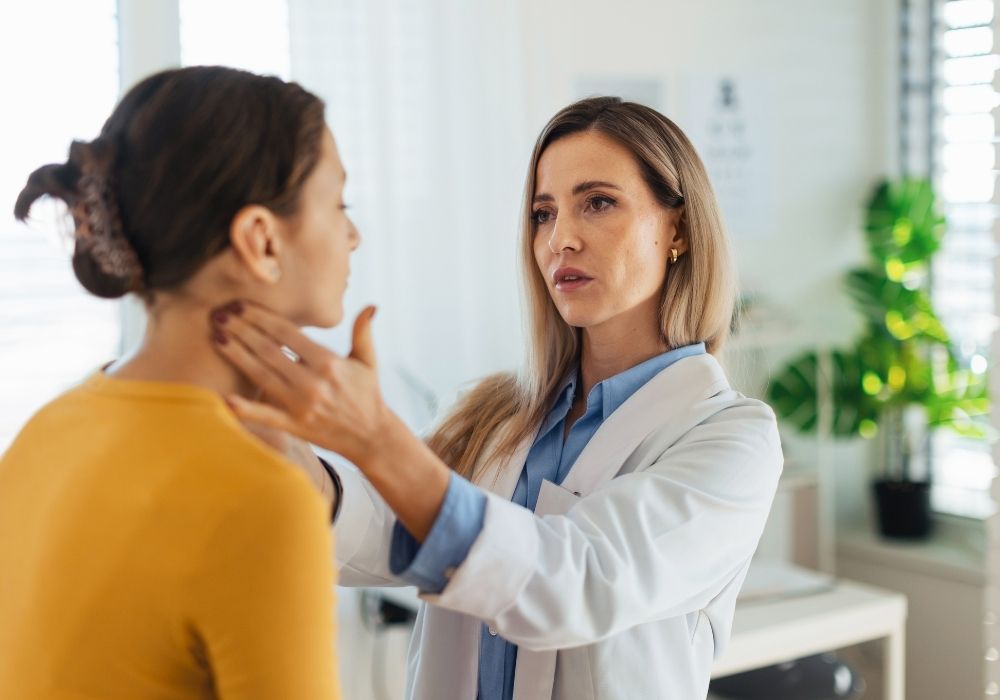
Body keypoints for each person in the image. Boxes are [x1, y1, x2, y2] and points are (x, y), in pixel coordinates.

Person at [213, 96, 783, 700]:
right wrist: (278, 433)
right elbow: (390, 531)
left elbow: (573, 583)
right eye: (543, 213)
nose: (560, 239)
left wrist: (375, 437)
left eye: (598, 203)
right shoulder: (500, 411)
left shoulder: (731, 437)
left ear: (679, 229)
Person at [0, 66, 357, 699]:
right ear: (260, 241)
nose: (352, 235)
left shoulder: (46, 431)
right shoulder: (261, 503)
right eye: (338, 204)